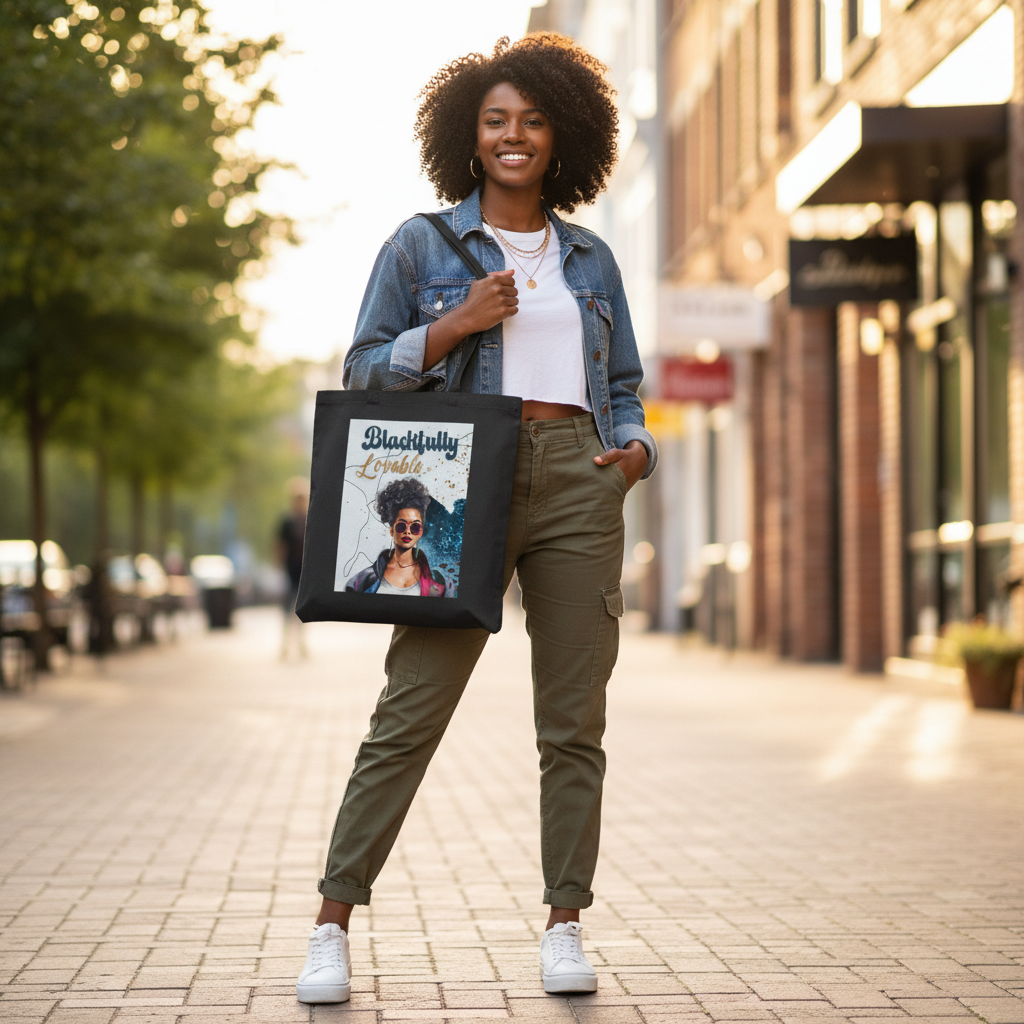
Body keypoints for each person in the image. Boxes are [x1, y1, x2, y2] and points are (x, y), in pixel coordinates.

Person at [296, 33, 657, 1005]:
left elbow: (623, 384)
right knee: (408, 710)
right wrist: (457, 322)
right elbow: (365, 367)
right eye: (496, 120)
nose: (514, 135)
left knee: (573, 720)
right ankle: (332, 918)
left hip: (580, 479)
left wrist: (633, 450)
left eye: (533, 120)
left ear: (562, 135)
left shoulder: (589, 257)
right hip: (460, 484)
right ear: (467, 134)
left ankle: (564, 921)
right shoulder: (422, 245)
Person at [345, 477, 446, 596]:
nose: (407, 532)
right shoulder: (364, 579)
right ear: (392, 530)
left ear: (420, 532)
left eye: (414, 527)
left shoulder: (437, 583)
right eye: (401, 526)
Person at [276, 478, 308, 659]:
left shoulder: (309, 520)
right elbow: (280, 545)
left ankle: (302, 642)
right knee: (287, 608)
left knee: (303, 608)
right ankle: (285, 643)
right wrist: (280, 565)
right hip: (290, 570)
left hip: (305, 572)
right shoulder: (287, 522)